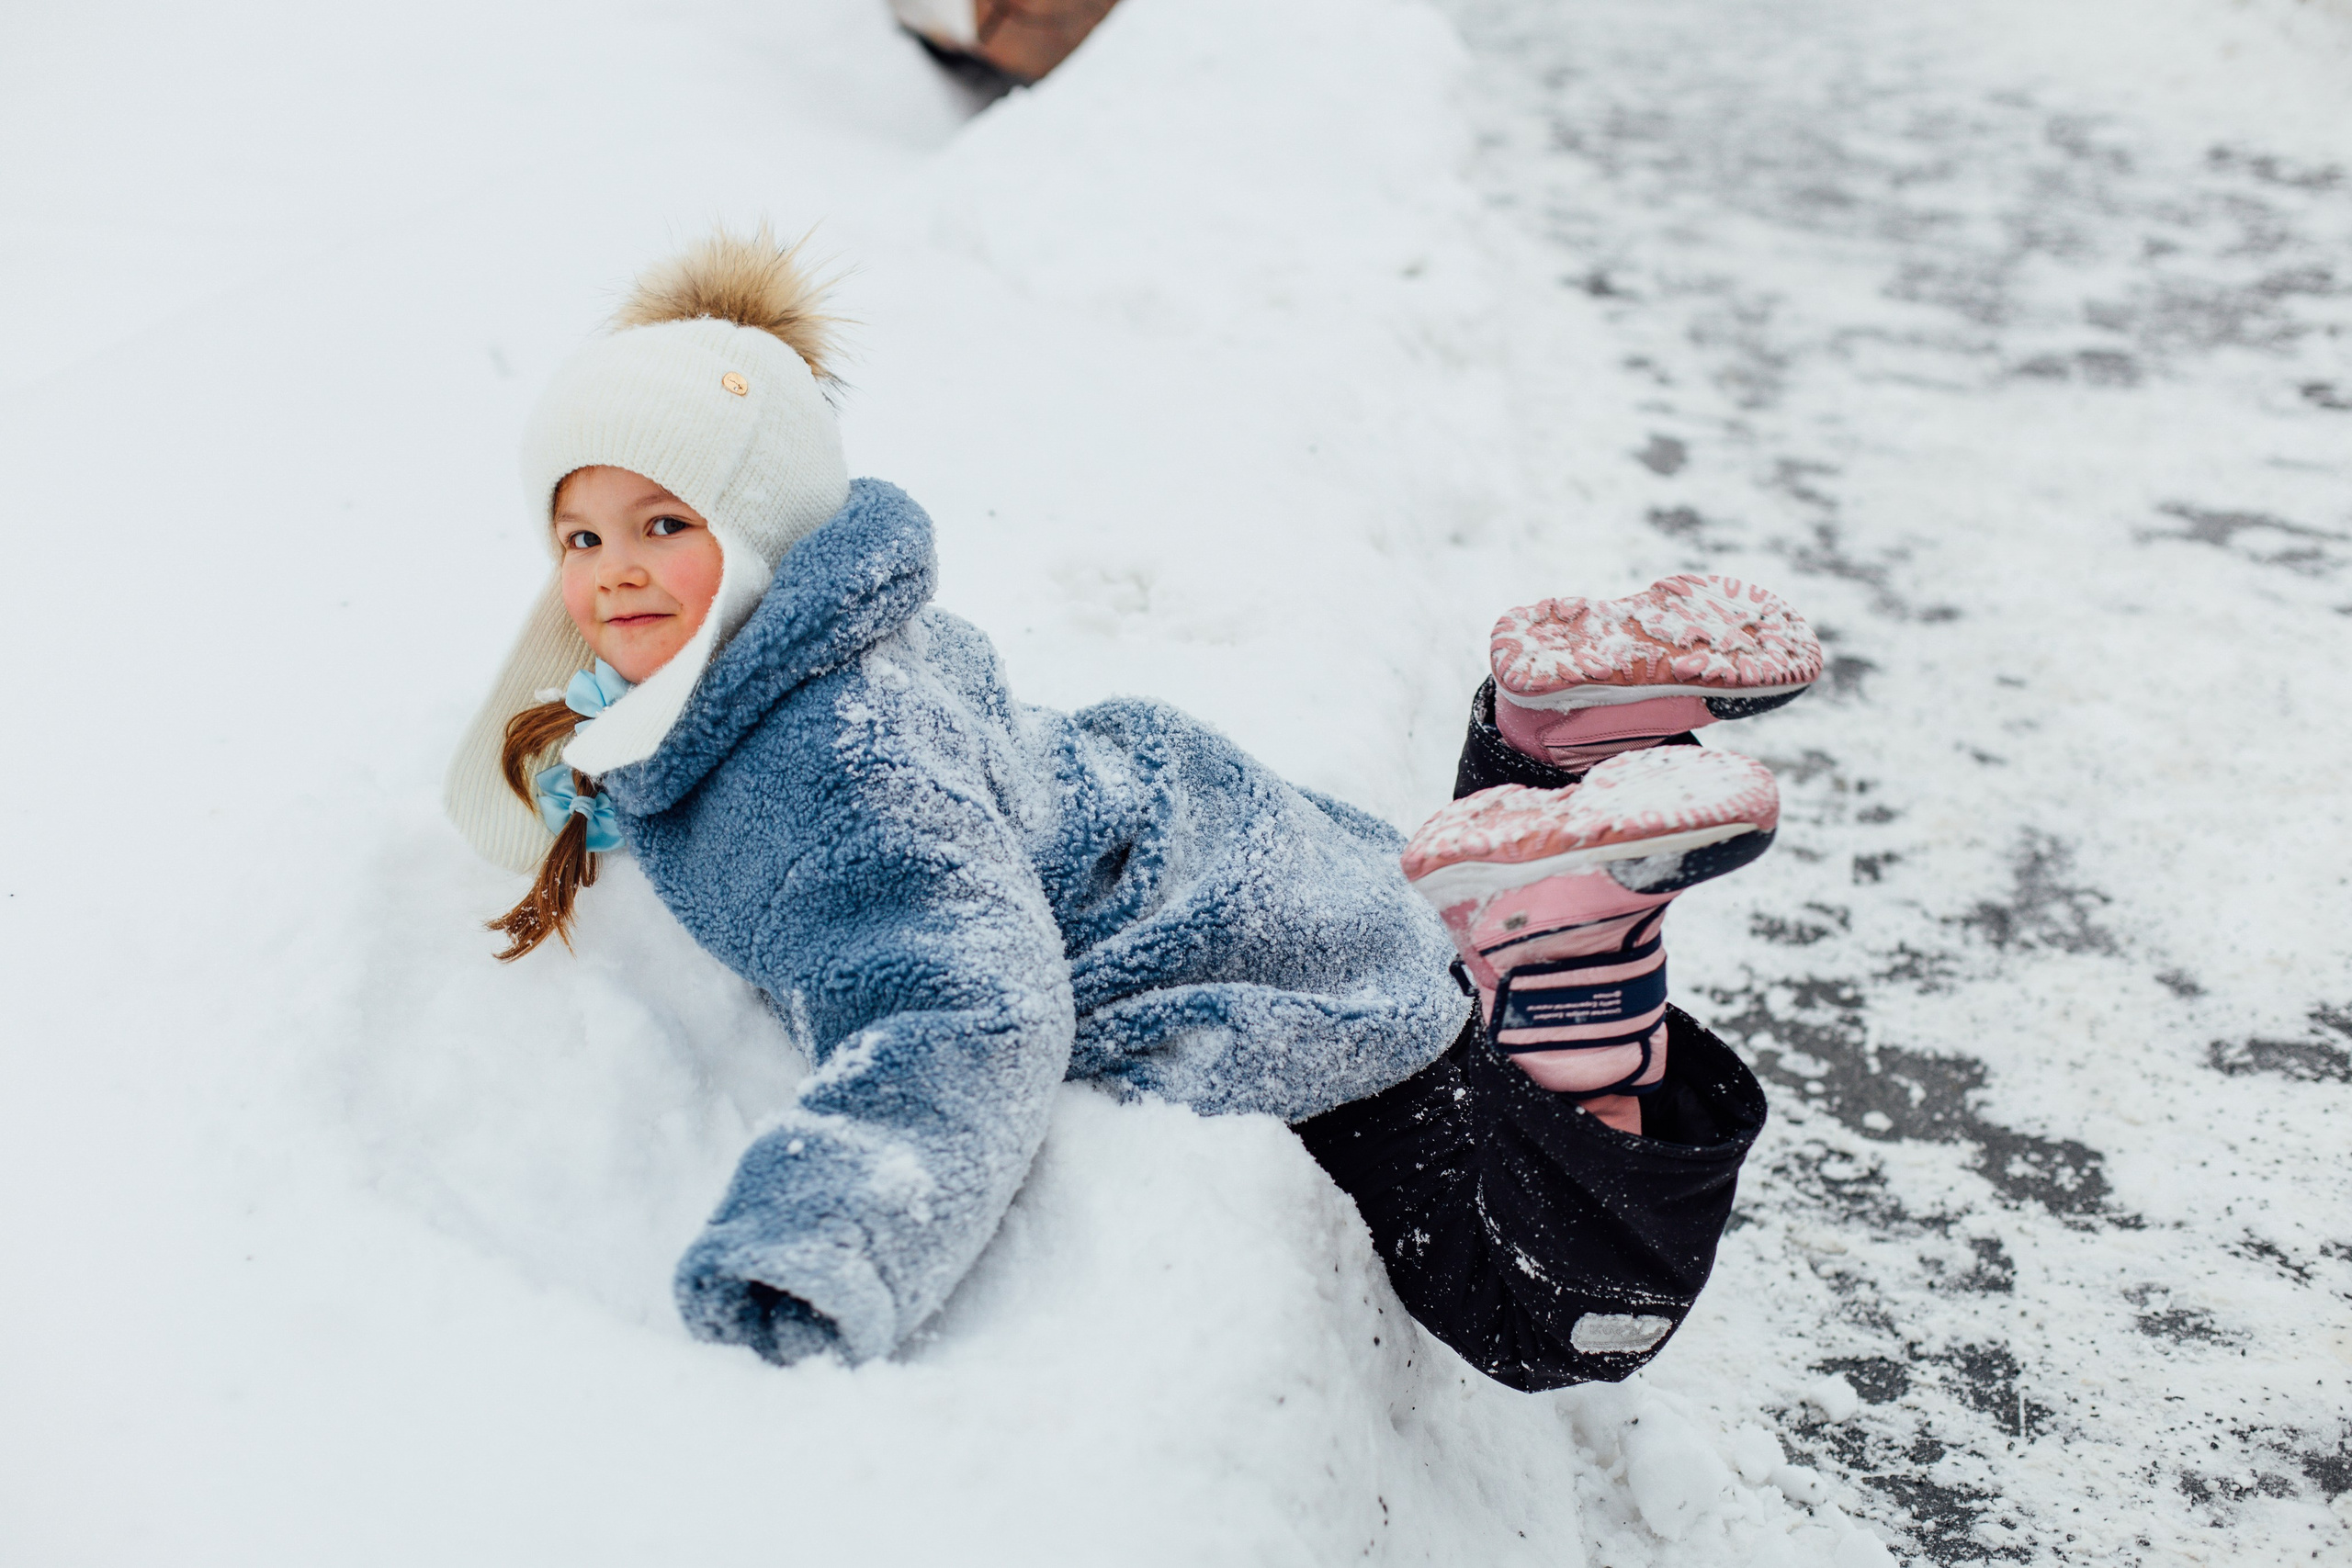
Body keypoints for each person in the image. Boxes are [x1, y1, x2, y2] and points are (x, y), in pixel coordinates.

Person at [444, 228, 1819, 1391]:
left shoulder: (828, 772)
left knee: (1544, 1300)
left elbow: (967, 1007)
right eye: (582, 537)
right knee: (1446, 957)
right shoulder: (820, 637)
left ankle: (1572, 969)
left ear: (758, 532)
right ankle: (1553, 745)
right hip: (1222, 846)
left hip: (1247, 958)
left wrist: (821, 1244)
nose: (616, 573)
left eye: (664, 525)